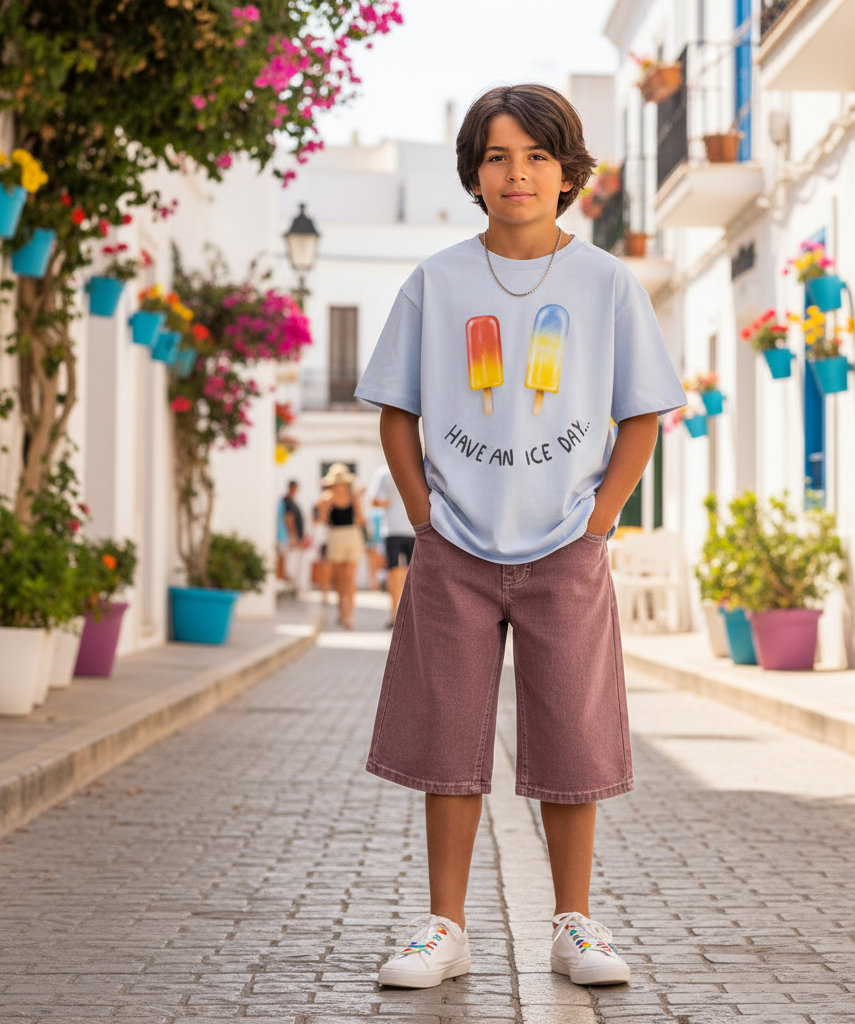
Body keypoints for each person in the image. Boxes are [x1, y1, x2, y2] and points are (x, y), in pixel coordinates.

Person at [354, 84, 686, 990]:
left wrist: (600, 519)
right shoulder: (438, 279)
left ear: (568, 170)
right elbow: (397, 410)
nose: (518, 173)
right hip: (456, 546)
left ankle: (575, 924)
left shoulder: (606, 282)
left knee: (573, 736)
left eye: (537, 156)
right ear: (473, 171)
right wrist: (425, 517)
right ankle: (444, 926)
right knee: (447, 736)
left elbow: (642, 415)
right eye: (498, 156)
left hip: (564, 547)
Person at [317, 463, 366, 628]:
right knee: (338, 579)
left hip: (352, 535)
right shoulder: (327, 498)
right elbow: (323, 521)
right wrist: (325, 505)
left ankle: (349, 615)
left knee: (350, 579)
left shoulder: (353, 496)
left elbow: (360, 519)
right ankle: (341, 610)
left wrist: (358, 500)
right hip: (335, 536)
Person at [367, 464, 416, 629]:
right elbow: (375, 501)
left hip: (401, 529)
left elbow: (375, 501)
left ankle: (397, 615)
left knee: (399, 574)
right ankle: (401, 615)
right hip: (406, 529)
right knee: (404, 574)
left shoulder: (386, 472)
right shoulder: (418, 467)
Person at [281, 480, 308, 594]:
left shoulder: (292, 501)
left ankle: (292, 587)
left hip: (296, 538)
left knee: (294, 563)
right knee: (290, 564)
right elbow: (289, 518)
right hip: (291, 538)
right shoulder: (287, 501)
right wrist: (293, 536)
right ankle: (289, 587)